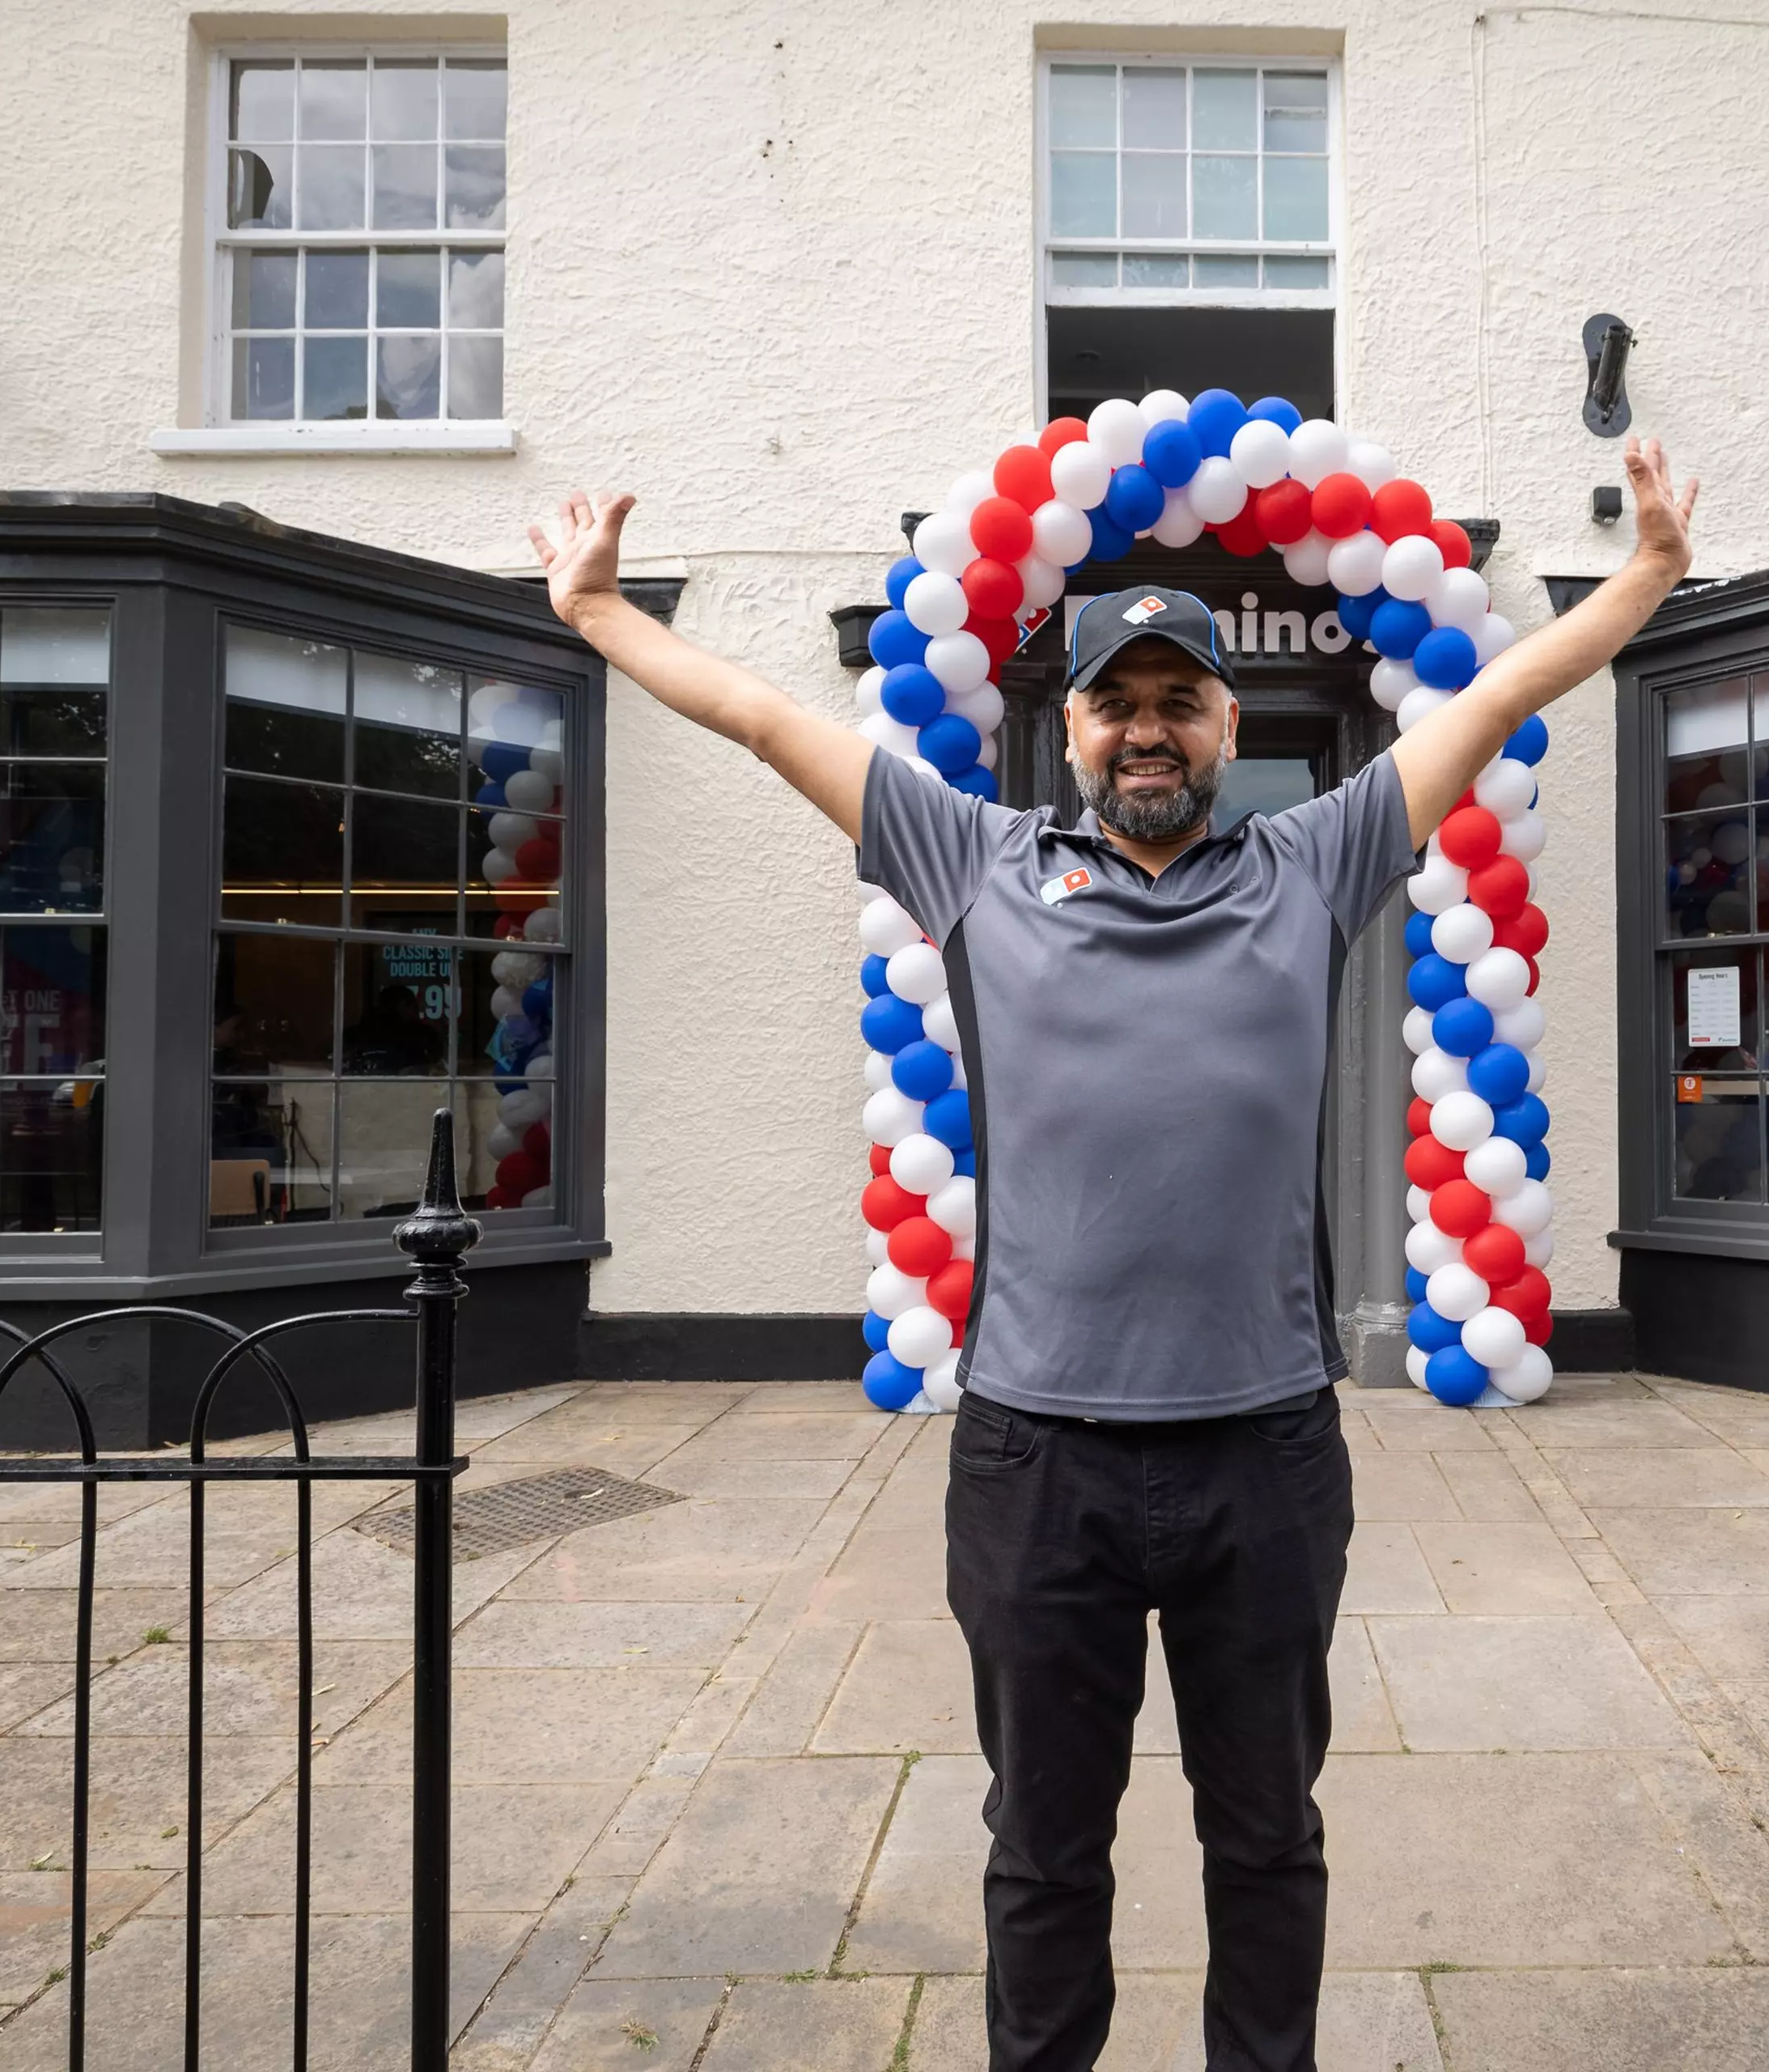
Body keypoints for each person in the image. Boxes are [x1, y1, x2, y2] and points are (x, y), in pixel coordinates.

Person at [527, 435, 1699, 2072]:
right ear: (1068, 727)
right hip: (1037, 1459)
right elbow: (763, 714)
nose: (1146, 728)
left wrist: (1642, 576)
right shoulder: (978, 860)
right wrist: (598, 618)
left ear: (1225, 724)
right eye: (1114, 702)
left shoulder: (1314, 861)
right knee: (1041, 1856)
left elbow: (1493, 704)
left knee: (1268, 1840)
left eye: (1178, 701)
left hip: (1268, 1452)